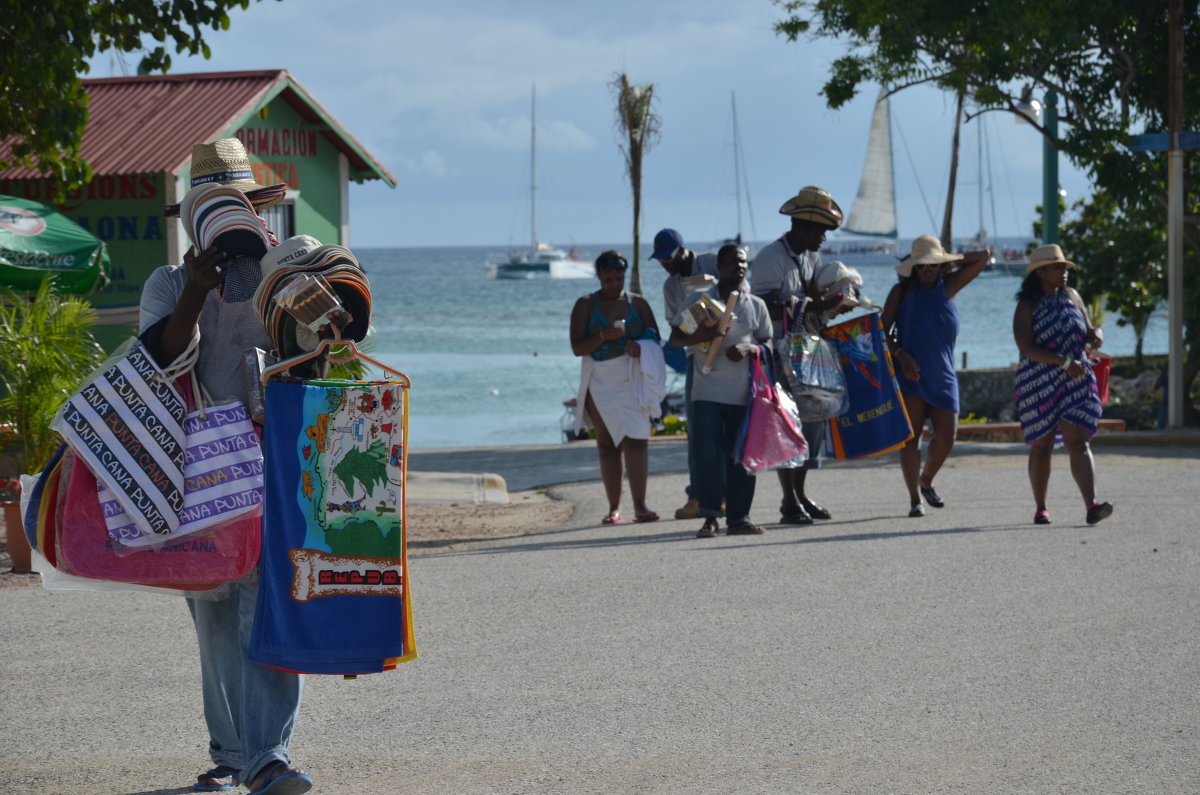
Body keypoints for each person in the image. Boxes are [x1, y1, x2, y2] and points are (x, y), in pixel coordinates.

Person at [139, 139, 336, 795]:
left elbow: (318, 363)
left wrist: (315, 311)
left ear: (254, 210)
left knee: (267, 603)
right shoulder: (169, 284)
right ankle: (232, 752)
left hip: (272, 457)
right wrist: (196, 290)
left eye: (238, 208)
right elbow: (162, 363)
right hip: (197, 466)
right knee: (214, 612)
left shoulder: (282, 278)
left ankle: (267, 756)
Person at [750, 186, 845, 526]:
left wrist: (831, 304)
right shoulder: (769, 260)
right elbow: (762, 308)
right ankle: (789, 500)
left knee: (812, 424)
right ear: (802, 226)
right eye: (820, 231)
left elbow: (811, 301)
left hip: (806, 354)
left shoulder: (809, 258)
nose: (823, 237)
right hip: (778, 355)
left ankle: (800, 494)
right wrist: (813, 305)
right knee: (788, 425)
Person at [880, 235, 989, 517]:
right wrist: (902, 356)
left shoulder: (950, 285)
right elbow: (879, 334)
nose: (927, 269)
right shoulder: (901, 293)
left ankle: (926, 479)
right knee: (911, 440)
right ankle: (915, 499)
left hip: (943, 375)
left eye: (932, 264)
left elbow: (983, 256)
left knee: (947, 437)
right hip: (911, 374)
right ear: (913, 267)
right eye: (921, 265)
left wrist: (949, 260)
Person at [669, 244, 773, 538]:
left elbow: (769, 345)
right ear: (719, 267)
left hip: (744, 395)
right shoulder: (700, 301)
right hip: (707, 391)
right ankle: (710, 516)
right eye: (730, 262)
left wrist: (750, 348)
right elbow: (676, 337)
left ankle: (739, 517)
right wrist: (702, 335)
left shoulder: (755, 306)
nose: (737, 267)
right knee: (708, 455)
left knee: (741, 455)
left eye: (741, 262)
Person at [1012, 244, 1113, 526]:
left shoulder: (1072, 296)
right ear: (1041, 272)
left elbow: (1090, 330)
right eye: (1057, 267)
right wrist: (1063, 362)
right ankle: (1041, 507)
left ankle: (1092, 505)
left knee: (1078, 442)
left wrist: (1097, 336)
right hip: (1039, 381)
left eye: (1064, 267)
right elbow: (1026, 347)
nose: (1063, 272)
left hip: (1077, 377)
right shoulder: (1027, 305)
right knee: (1042, 445)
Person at [570, 250, 665, 525]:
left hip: (632, 376)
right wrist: (602, 336)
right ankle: (614, 508)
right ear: (598, 276)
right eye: (608, 279)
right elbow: (577, 347)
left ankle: (641, 505)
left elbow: (655, 340)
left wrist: (640, 348)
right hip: (601, 379)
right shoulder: (586, 305)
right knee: (608, 444)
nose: (614, 284)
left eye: (619, 278)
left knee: (637, 440)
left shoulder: (639, 304)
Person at [649, 228, 719, 520]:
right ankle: (697, 496)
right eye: (661, 260)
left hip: (729, 355)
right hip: (696, 357)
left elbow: (742, 293)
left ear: (682, 250)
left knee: (730, 428)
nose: (666, 265)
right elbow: (674, 327)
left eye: (668, 258)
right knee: (698, 431)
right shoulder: (670, 287)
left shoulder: (714, 263)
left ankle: (726, 494)